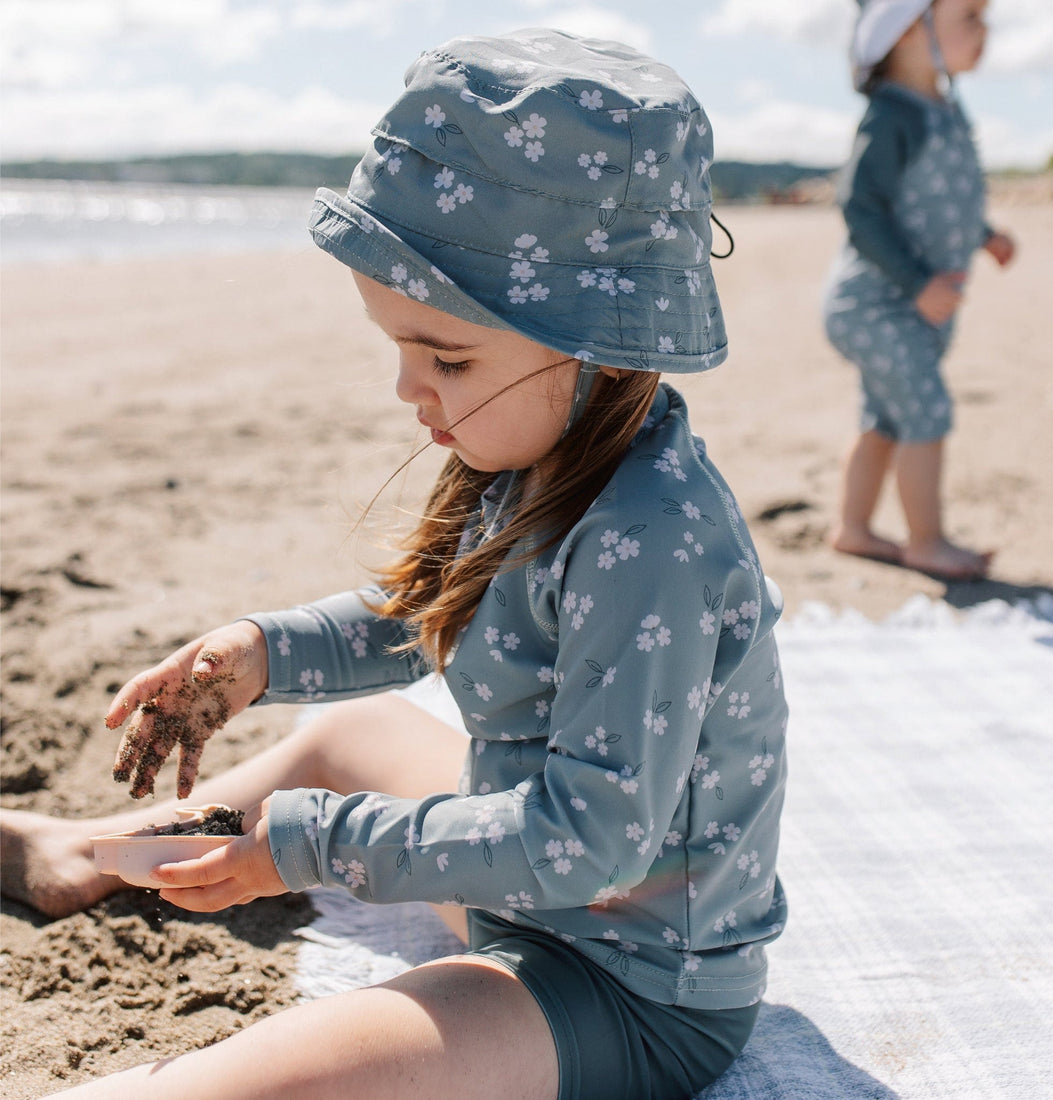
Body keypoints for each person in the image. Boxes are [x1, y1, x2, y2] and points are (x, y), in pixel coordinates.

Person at [0, 29, 789, 1100]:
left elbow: (589, 841)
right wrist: (264, 652)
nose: (408, 390)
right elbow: (423, 611)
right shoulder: (536, 448)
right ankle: (93, 854)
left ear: (599, 337)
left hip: (621, 977)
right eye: (401, 349)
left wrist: (309, 842)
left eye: (446, 357)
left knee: (242, 1080)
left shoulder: (654, 538)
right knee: (346, 731)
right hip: (535, 883)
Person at [823, 0, 1015, 579]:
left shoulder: (946, 108)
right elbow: (859, 206)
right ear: (908, 28)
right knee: (925, 412)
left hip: (910, 304)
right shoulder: (892, 114)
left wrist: (983, 234)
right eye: (971, 17)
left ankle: (853, 530)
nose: (986, 29)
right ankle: (926, 540)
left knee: (885, 417)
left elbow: (941, 198)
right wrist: (916, 281)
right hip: (878, 302)